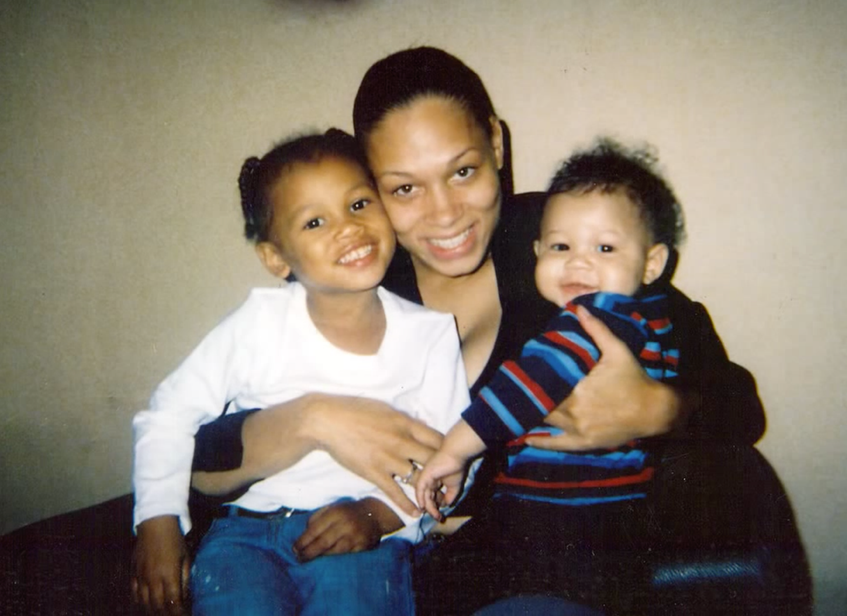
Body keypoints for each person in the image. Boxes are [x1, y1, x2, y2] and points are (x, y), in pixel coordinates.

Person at [184, 47, 764, 614]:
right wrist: (313, 418)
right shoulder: (351, 282)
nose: (445, 214)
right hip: (366, 578)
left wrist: (659, 410)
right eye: (405, 188)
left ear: (496, 143)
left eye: (462, 171)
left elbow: (738, 405)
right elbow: (198, 466)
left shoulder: (572, 248)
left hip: (528, 580)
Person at [130, 129, 471, 616]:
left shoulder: (431, 336)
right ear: (275, 258)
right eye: (314, 221)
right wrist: (158, 523)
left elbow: (447, 460)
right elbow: (168, 416)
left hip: (359, 539)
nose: (347, 228)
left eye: (358, 204)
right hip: (245, 535)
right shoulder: (260, 322)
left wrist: (374, 516)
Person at [414, 138, 683, 613]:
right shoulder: (651, 320)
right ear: (537, 251)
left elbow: (522, 389)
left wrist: (453, 451)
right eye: (561, 246)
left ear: (652, 262)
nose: (578, 261)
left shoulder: (599, 319)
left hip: (564, 526)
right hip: (602, 523)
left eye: (604, 247)